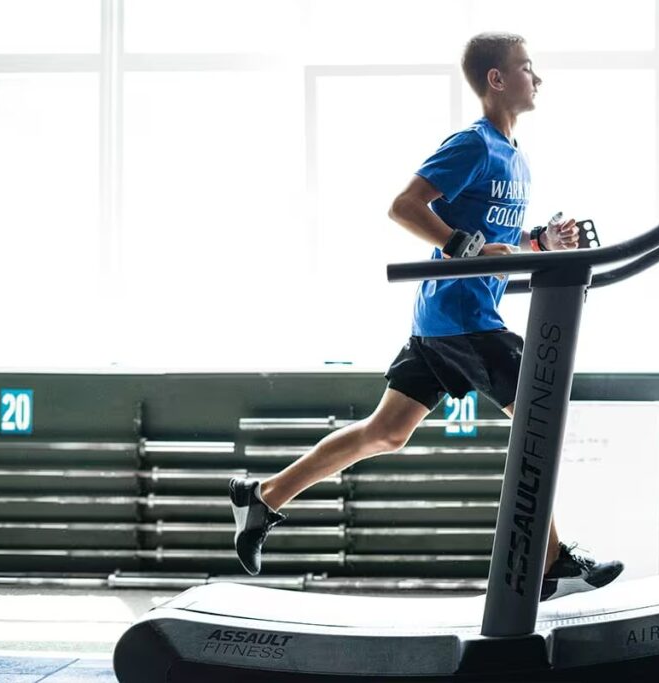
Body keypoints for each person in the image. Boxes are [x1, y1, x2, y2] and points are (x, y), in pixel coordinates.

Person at [230, 32, 623, 602]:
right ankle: (550, 557)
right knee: (541, 416)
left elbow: (497, 243)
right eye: (526, 67)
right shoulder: (473, 145)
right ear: (496, 79)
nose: (537, 78)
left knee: (386, 433)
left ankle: (262, 496)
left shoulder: (518, 159)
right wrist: (462, 245)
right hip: (464, 319)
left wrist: (540, 240)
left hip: (448, 320)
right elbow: (405, 207)